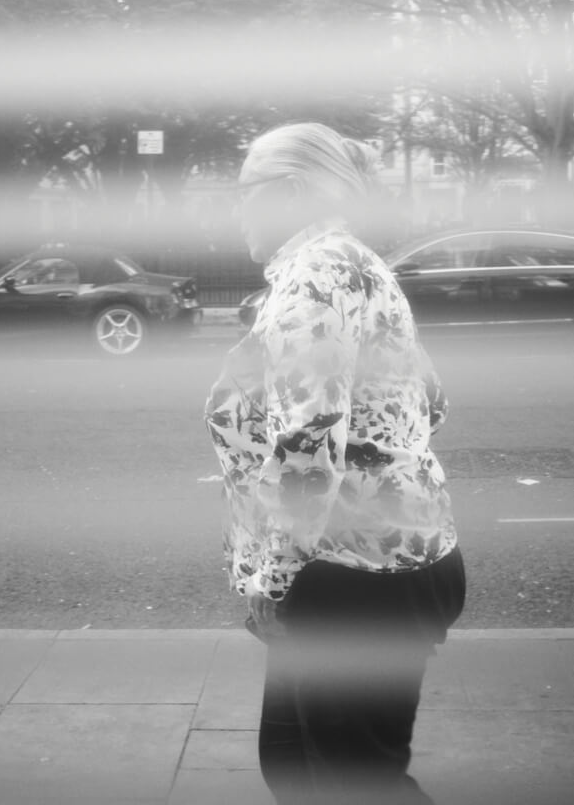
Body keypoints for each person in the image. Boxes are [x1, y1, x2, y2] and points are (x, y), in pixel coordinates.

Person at [204, 122, 466, 805]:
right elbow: (432, 403)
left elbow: (307, 443)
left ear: (290, 191)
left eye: (245, 190)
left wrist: (273, 580)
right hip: (379, 562)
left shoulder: (315, 279)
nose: (236, 208)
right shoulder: (355, 265)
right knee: (297, 766)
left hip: (352, 578)